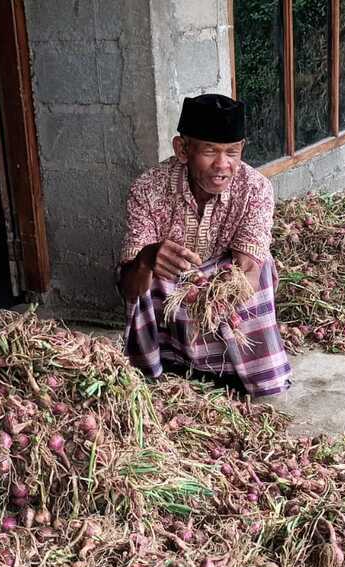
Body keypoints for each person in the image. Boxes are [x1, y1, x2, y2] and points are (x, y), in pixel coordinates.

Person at [118, 94, 291, 398]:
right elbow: (128, 288)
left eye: (232, 152)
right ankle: (159, 364)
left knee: (261, 271)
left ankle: (235, 369)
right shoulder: (148, 189)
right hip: (172, 281)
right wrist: (146, 259)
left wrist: (210, 295)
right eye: (210, 151)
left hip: (223, 280)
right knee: (141, 271)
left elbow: (248, 271)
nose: (222, 165)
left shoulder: (255, 189)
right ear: (183, 149)